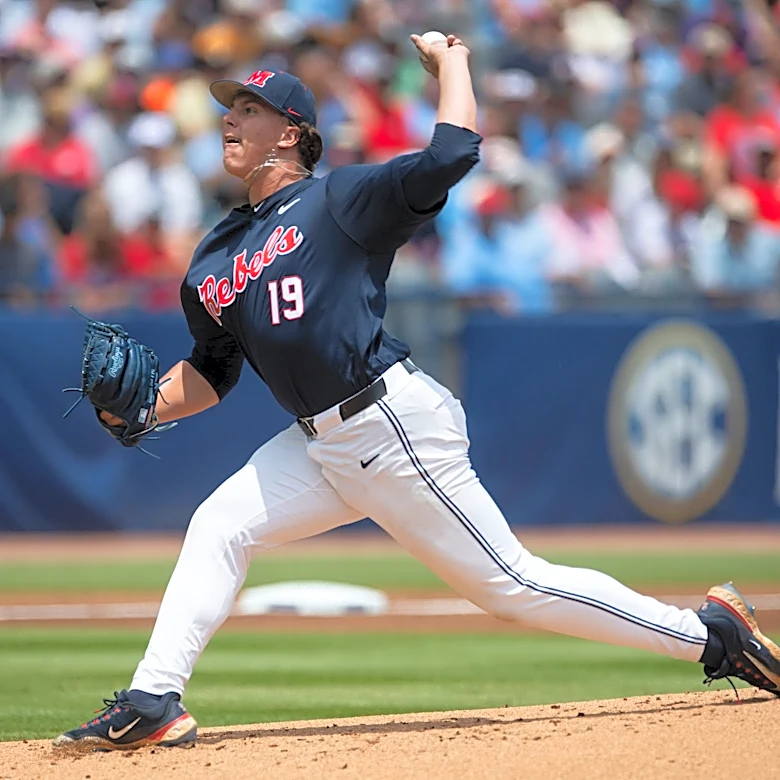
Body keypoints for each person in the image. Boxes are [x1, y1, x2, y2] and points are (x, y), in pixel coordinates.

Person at [53, 33, 780, 753]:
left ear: (293, 132)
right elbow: (213, 370)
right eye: (230, 107)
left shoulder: (340, 198)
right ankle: (155, 698)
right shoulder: (216, 252)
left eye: (249, 107)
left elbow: (454, 152)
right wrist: (147, 407)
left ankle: (711, 637)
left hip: (388, 424)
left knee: (510, 585)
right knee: (218, 526)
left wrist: (455, 62)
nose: (229, 119)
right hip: (321, 446)